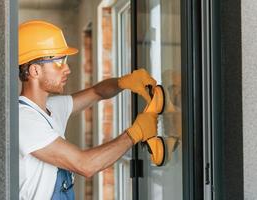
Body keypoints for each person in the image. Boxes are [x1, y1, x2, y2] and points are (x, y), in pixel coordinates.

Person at [19, 20, 158, 200]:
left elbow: (97, 92)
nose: (67, 69)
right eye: (59, 62)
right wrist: (135, 133)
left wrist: (124, 82)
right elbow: (85, 164)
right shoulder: (24, 120)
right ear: (35, 71)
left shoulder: (49, 109)